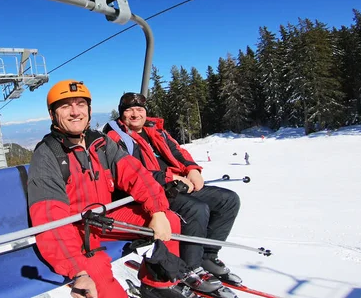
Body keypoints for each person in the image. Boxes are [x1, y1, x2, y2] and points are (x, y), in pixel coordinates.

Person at [27, 80, 198, 298]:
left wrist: (156, 210)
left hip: (106, 217)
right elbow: (51, 219)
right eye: (65, 106)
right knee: (98, 278)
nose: (74, 112)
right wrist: (76, 271)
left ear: (88, 110)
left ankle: (157, 285)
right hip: (77, 230)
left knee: (169, 220)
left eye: (80, 104)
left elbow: (137, 175)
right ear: (52, 115)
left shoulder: (99, 143)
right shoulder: (48, 156)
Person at [103, 92, 242, 295]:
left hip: (177, 185)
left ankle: (208, 256)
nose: (135, 114)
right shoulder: (116, 137)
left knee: (228, 200)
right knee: (196, 209)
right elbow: (131, 172)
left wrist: (192, 169)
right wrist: (171, 179)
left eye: (139, 109)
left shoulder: (154, 129)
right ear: (121, 114)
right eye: (129, 110)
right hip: (149, 192)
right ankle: (190, 268)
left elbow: (177, 152)